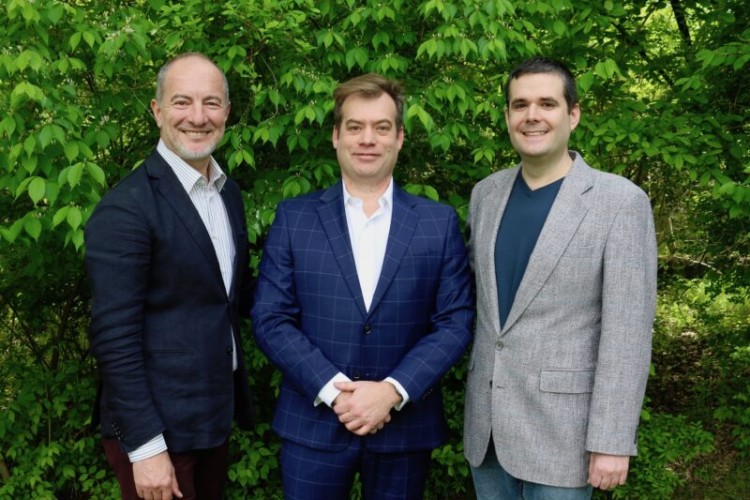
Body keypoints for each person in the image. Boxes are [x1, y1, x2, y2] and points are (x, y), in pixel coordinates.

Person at [251, 73, 474, 499]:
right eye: (355, 127)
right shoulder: (295, 218)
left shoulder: (437, 222)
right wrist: (337, 392)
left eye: (381, 127)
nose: (367, 139)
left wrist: (392, 392)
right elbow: (270, 317)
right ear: (336, 136)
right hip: (313, 426)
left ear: (400, 137)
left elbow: (455, 323)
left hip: (404, 428)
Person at [463, 57, 657, 499]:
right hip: (486, 431)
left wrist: (611, 441)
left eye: (547, 103)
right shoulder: (486, 195)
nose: (532, 115)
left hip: (565, 436)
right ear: (508, 116)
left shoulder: (620, 202)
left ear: (573, 114)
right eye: (520, 104)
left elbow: (628, 333)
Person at [85, 52, 254, 500]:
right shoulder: (126, 209)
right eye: (182, 102)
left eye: (211, 103)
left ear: (227, 112)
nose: (198, 117)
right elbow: (113, 337)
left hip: (212, 419)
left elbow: (231, 297)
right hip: (157, 432)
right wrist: (145, 446)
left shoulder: (228, 194)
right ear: (157, 111)